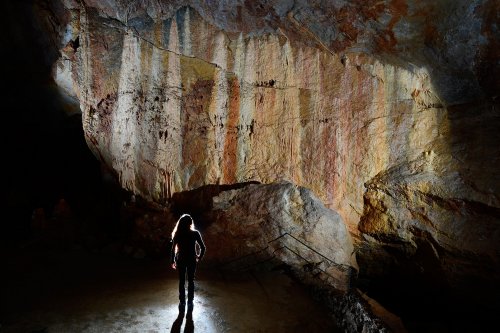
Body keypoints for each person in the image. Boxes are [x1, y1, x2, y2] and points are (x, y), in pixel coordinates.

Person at [171, 213, 206, 308]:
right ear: (190, 223)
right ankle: (190, 301)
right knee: (191, 281)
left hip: (181, 259)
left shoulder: (178, 234)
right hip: (191, 259)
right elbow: (203, 247)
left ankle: (182, 301)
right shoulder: (195, 233)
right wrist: (199, 257)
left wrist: (172, 261)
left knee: (181, 281)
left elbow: (173, 249)